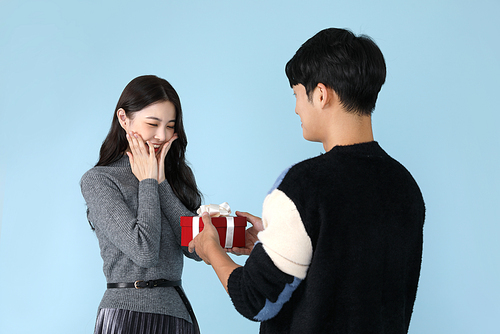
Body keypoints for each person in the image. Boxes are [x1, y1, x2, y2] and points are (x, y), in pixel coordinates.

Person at [188, 28, 425, 333]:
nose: (297, 107)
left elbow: (255, 298)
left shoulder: (304, 185)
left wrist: (212, 251)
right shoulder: (405, 186)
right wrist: (274, 239)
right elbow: (346, 264)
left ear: (321, 94)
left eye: (297, 94)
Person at [81, 75, 202, 334]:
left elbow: (197, 249)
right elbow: (144, 251)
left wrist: (160, 184)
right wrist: (147, 181)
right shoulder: (100, 181)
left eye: (170, 126)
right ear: (124, 119)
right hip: (126, 316)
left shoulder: (175, 176)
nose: (162, 135)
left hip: (177, 314)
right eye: (153, 123)